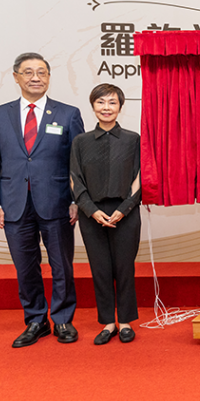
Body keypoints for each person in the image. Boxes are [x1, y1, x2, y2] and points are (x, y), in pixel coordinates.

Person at [0, 53, 85, 347]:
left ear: (49, 77)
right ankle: (36, 320)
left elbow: (77, 163)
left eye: (41, 72)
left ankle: (63, 319)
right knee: (25, 266)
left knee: (61, 265)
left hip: (57, 202)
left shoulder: (68, 113)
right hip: (13, 204)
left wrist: (76, 200)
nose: (35, 77)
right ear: (16, 77)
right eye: (28, 72)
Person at [70, 83, 143, 344]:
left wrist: (124, 210)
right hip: (93, 215)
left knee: (124, 269)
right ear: (93, 106)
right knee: (100, 269)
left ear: (121, 107)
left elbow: (139, 178)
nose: (106, 108)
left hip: (126, 213)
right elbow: (74, 180)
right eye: (101, 102)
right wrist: (91, 211)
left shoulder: (133, 139)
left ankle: (125, 322)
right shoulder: (81, 141)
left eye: (112, 102)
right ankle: (108, 323)